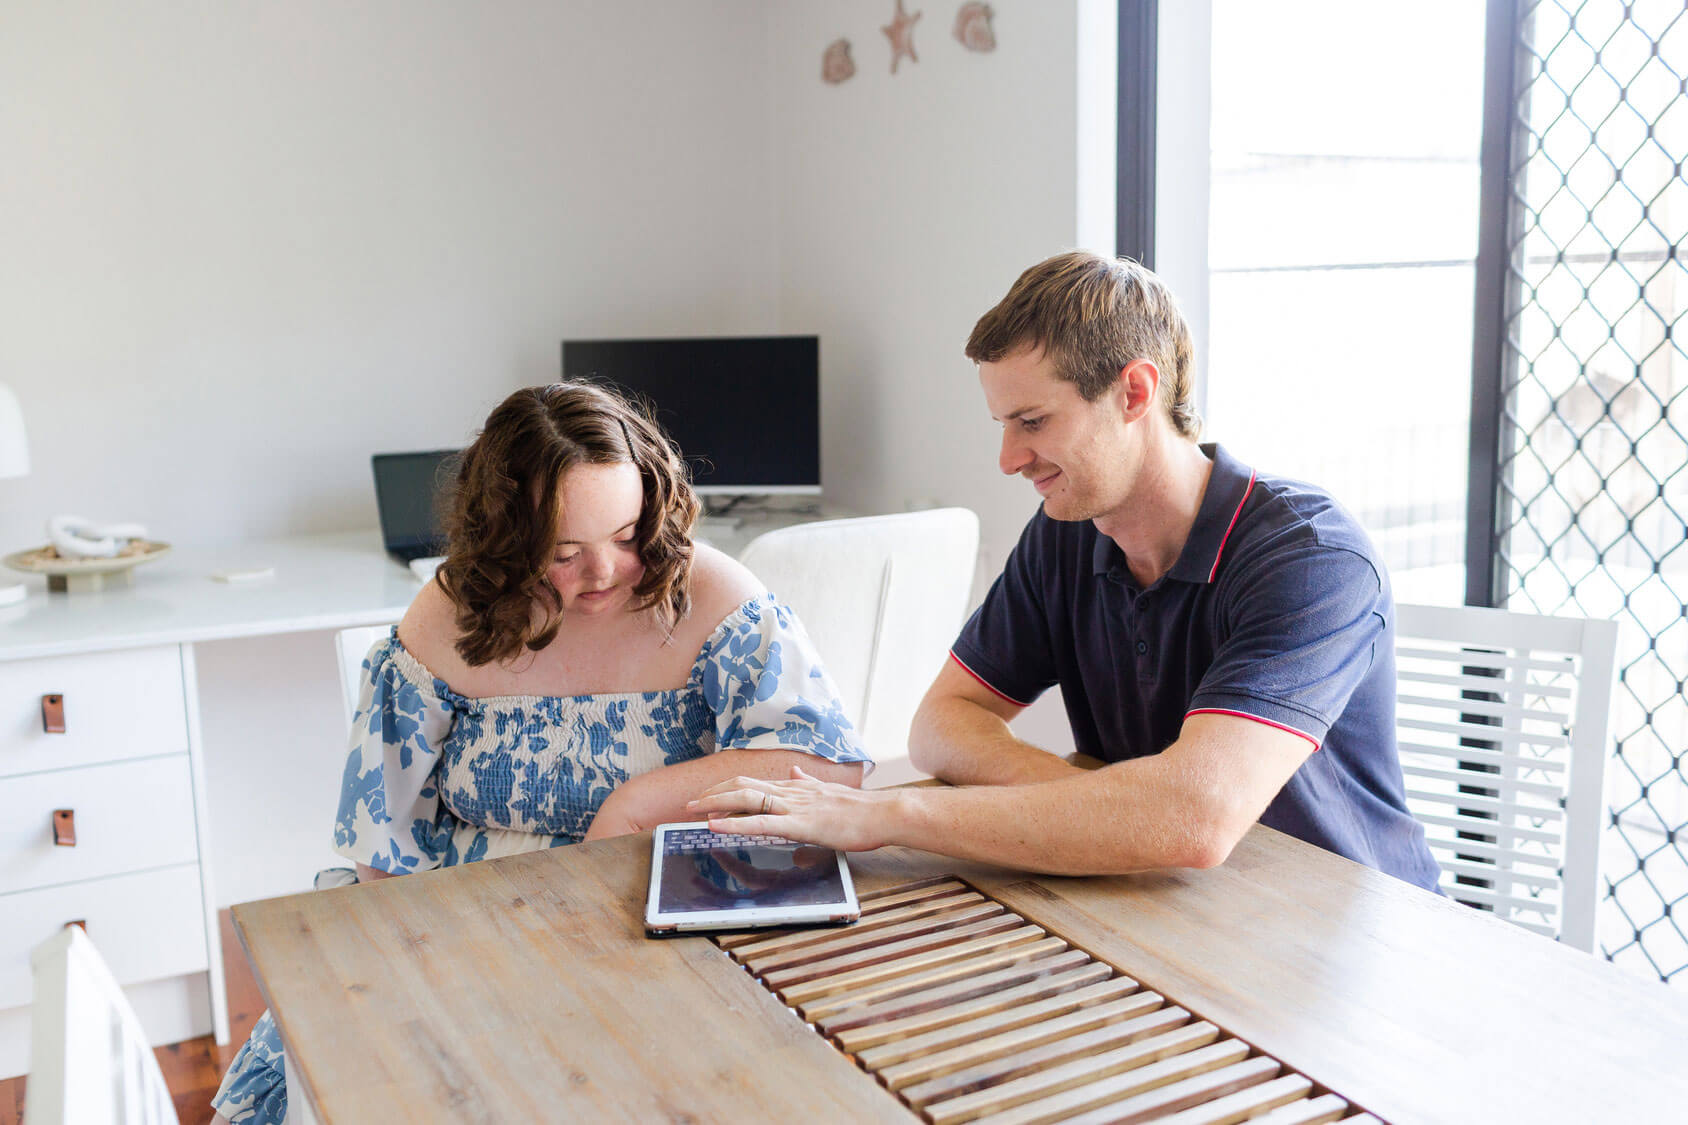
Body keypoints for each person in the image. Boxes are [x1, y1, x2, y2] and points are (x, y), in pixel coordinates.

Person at [212, 381, 871, 1124]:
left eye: (628, 535)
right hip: (469, 935)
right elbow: (381, 839)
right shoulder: (451, 613)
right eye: (564, 553)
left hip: (655, 935)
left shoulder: (712, 595)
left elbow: (823, 763)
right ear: (507, 537)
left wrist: (637, 801)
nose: (606, 573)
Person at [690, 251, 1442, 892]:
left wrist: (887, 815)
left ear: (1135, 393)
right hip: (1169, 899)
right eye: (1004, 425)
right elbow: (941, 726)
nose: (1010, 459)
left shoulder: (1311, 561)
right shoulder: (1067, 536)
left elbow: (1195, 819)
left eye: (1034, 421)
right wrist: (1101, 803)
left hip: (1344, 934)